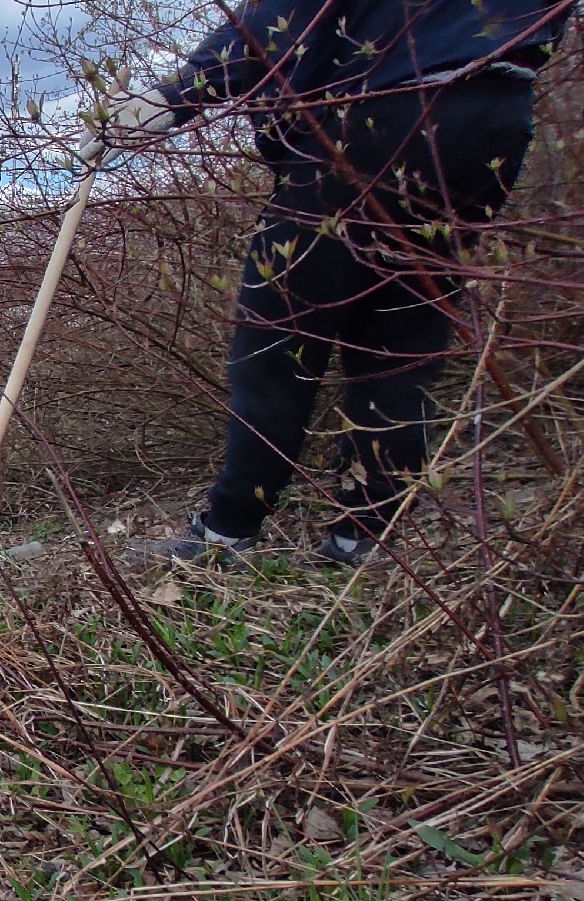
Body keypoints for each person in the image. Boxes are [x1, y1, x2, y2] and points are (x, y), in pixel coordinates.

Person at [79, 0, 574, 565]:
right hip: (492, 115)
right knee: (401, 338)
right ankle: (364, 535)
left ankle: (227, 532)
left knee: (276, 341)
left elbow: (280, 17)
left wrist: (174, 96)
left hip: (375, 111)